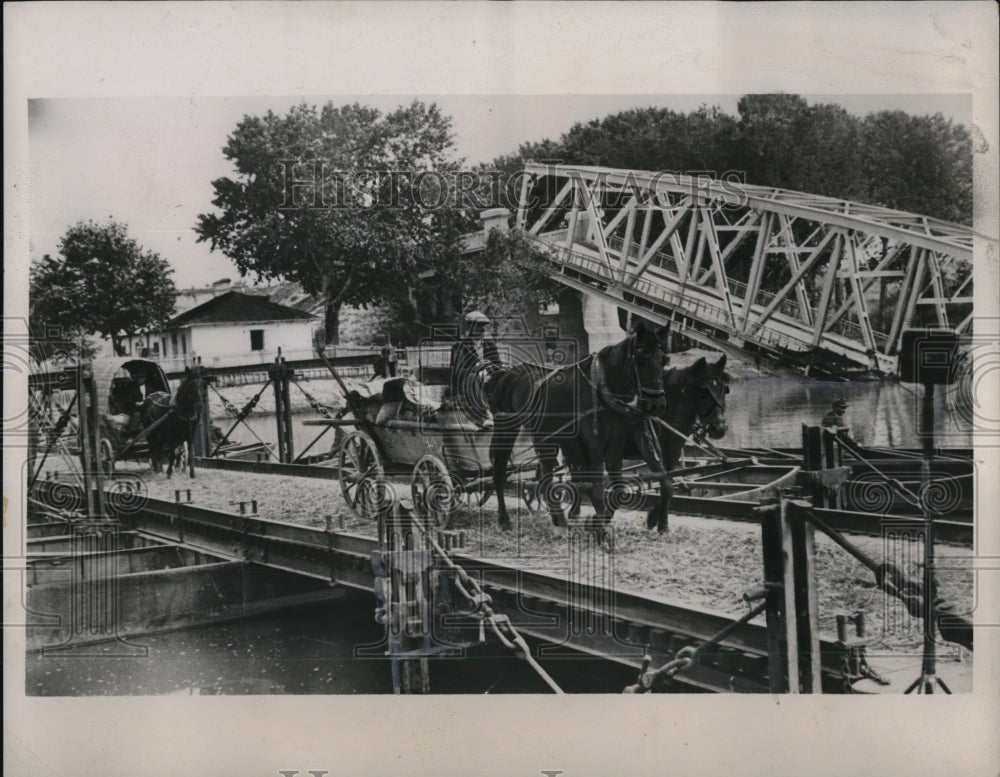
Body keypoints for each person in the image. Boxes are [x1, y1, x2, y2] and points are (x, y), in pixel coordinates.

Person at [450, 311, 501, 428]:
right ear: (470, 328)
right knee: (472, 377)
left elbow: (499, 364)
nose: (482, 330)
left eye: (483, 327)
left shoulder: (490, 345)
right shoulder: (459, 347)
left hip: (488, 378)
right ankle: (484, 414)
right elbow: (457, 372)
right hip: (466, 382)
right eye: (478, 327)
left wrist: (492, 367)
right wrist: (476, 368)